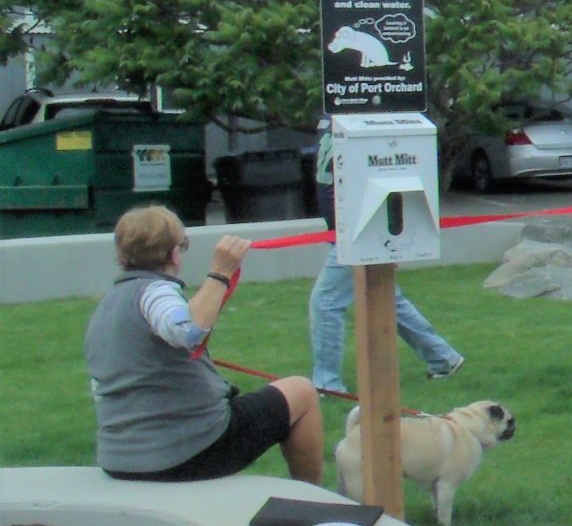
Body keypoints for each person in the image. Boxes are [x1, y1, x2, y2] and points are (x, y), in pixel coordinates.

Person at [88, 206, 326, 485]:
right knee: (302, 391)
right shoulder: (154, 293)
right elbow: (188, 330)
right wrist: (220, 273)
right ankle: (314, 501)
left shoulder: (107, 305)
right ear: (174, 253)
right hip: (185, 453)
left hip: (119, 458)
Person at [308, 116, 465, 394]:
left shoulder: (365, 120)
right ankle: (442, 358)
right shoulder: (332, 119)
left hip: (361, 231)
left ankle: (327, 383)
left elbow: (384, 170)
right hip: (349, 231)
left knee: (326, 302)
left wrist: (391, 235)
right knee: (386, 297)